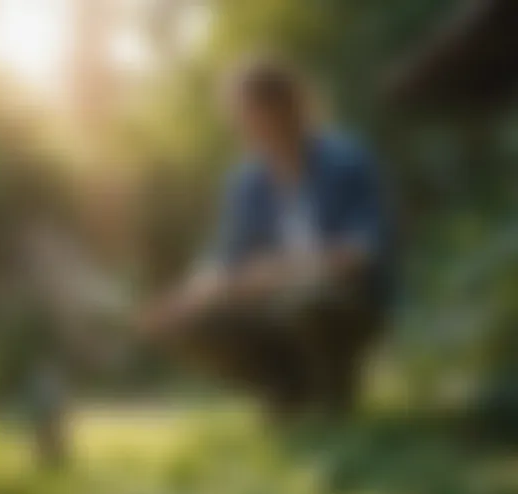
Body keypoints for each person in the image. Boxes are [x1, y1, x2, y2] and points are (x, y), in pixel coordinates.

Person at [140, 58, 395, 416]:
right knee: (187, 323)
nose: (243, 127)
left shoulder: (348, 161)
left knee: (309, 303)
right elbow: (226, 259)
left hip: (345, 300)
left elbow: (365, 250)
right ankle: (282, 388)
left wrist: (283, 271)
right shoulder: (245, 182)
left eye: (251, 114)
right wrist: (186, 298)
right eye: (239, 117)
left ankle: (333, 387)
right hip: (271, 308)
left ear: (289, 108)